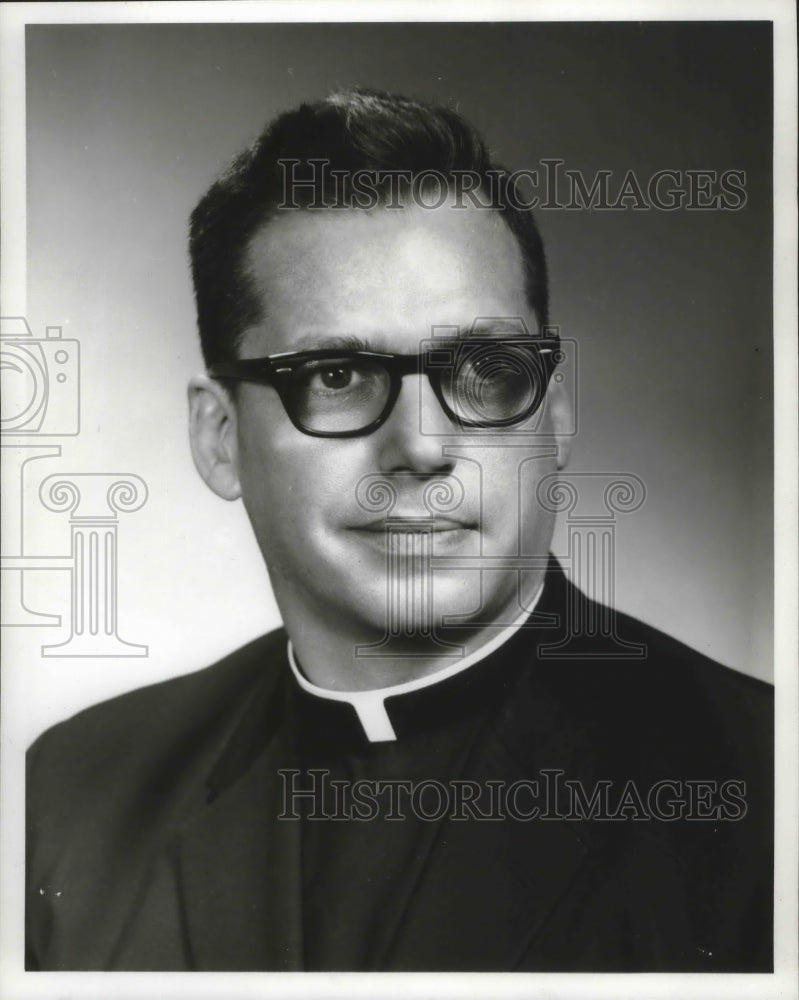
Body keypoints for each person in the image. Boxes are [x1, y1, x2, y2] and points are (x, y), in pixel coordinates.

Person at [26, 89, 772, 972]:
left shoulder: (767, 787)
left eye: (482, 368)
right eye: (337, 374)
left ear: (556, 414)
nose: (420, 447)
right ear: (219, 439)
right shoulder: (69, 795)